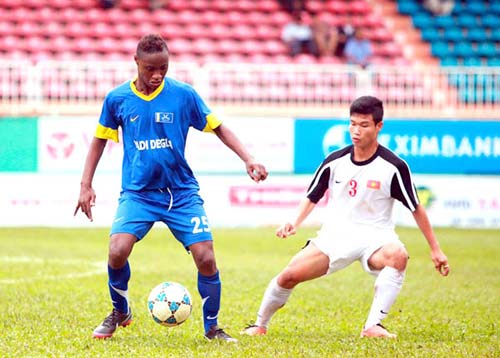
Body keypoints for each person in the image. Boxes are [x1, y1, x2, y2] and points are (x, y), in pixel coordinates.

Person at [74, 34, 268, 342]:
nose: (157, 75)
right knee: (116, 251)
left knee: (206, 257)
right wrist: (86, 184)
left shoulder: (183, 94)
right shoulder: (117, 99)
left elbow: (218, 126)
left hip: (181, 193)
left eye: (163, 68)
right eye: (150, 68)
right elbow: (99, 139)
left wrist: (248, 159)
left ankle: (212, 327)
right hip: (138, 194)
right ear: (136, 63)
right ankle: (120, 311)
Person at [241, 96, 450, 338]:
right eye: (352, 124)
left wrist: (436, 249)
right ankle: (259, 325)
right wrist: (294, 222)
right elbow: (312, 196)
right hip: (336, 236)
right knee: (288, 275)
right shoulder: (335, 161)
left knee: (398, 256)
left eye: (364, 125)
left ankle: (373, 326)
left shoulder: (393, 167)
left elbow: (416, 207)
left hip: (376, 238)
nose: (356, 131)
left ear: (378, 126)